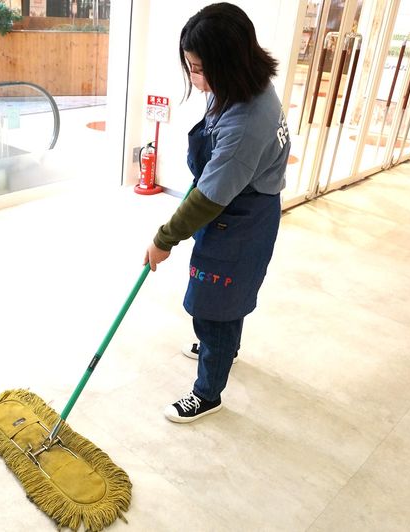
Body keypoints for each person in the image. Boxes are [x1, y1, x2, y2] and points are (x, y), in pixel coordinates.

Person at [143, 3, 290, 423]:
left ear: (228, 64)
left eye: (199, 69)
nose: (194, 78)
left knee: (214, 307)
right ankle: (223, 348)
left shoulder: (245, 123)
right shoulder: (249, 85)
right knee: (228, 300)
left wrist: (163, 239)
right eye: (191, 66)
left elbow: (208, 197)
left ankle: (208, 393)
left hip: (240, 219)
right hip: (240, 207)